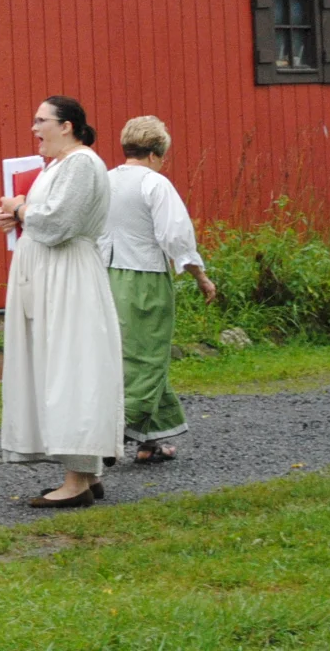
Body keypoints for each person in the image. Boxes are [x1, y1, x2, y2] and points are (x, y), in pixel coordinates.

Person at [0, 95, 122, 508]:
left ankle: (77, 481)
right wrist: (16, 216)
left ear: (67, 126)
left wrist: (21, 209)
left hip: (69, 277)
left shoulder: (82, 163)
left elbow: (57, 223)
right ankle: (87, 472)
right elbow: (45, 217)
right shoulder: (58, 166)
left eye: (41, 120)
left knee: (72, 369)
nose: (34, 128)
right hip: (52, 276)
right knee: (58, 367)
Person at [103, 116, 219, 463]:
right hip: (145, 278)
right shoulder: (154, 184)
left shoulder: (104, 180)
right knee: (148, 358)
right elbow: (175, 236)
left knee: (122, 354)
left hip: (105, 277)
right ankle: (110, 432)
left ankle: (151, 441)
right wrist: (200, 276)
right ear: (155, 154)